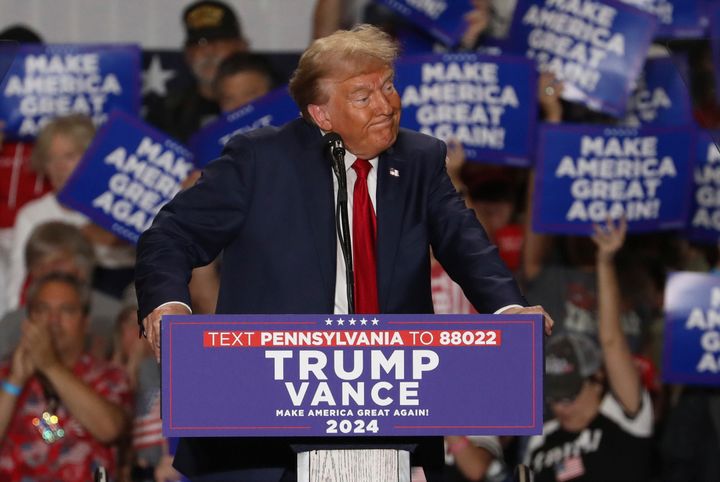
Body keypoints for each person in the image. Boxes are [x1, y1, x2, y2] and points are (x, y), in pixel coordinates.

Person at [135, 24, 553, 480]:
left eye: (388, 87)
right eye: (362, 96)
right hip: (265, 424)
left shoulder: (420, 161)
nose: (385, 104)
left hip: (387, 417)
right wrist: (168, 304)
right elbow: (170, 234)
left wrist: (509, 308)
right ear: (322, 114)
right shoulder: (260, 160)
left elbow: (466, 243)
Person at [523, 218, 654, 481]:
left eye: (569, 394)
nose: (561, 407)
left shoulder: (625, 416)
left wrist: (604, 261)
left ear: (597, 379)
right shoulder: (540, 441)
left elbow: (611, 341)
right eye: (554, 396)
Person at [0, 272, 131, 480]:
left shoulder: (109, 376)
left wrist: (50, 365)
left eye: (66, 311)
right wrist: (14, 382)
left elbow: (109, 429)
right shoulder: (7, 373)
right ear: (29, 319)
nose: (53, 321)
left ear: (85, 321)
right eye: (43, 310)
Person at [6, 114, 136, 310]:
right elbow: (17, 289)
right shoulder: (32, 216)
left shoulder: (120, 208)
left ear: (93, 157)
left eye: (69, 156)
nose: (58, 167)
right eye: (51, 159)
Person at [0, 221, 122, 361]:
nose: (47, 271)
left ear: (82, 268)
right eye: (39, 264)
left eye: (57, 263)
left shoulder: (114, 317)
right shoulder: (13, 323)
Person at [146, 0, 248, 141]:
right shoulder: (166, 114)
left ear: (241, 47)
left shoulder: (269, 101)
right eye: (199, 43)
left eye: (219, 41)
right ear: (187, 54)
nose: (208, 51)